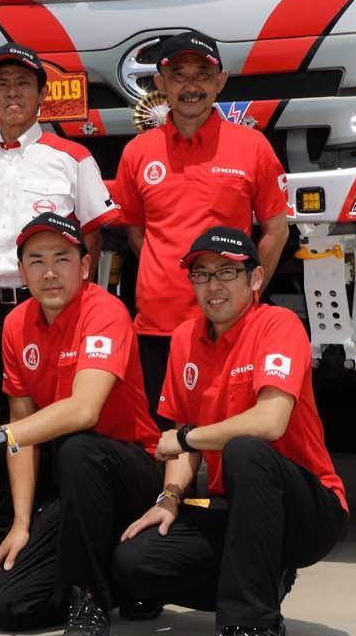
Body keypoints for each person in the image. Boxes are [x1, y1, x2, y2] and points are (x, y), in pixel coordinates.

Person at [113, 227, 347, 636]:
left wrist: (185, 438)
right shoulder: (184, 338)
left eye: (226, 272)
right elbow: (185, 438)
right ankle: (262, 578)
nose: (213, 285)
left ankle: (256, 629)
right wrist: (170, 499)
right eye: (202, 274)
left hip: (309, 509)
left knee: (245, 449)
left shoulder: (279, 326)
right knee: (134, 562)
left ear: (255, 279)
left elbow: (269, 422)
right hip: (238, 506)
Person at [0, 42, 119, 592]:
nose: (11, 94)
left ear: (43, 95)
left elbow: (90, 232)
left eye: (22, 84)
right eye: (0, 87)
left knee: (59, 422)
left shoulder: (73, 159)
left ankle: (53, 532)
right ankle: (1, 537)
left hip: (53, 309)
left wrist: (73, 297)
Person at [0, 214, 158, 636]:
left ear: (85, 266)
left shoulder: (105, 312)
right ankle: (117, 580)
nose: (49, 272)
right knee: (7, 605)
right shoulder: (16, 325)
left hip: (131, 471)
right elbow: (25, 432)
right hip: (76, 486)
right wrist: (22, 524)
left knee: (79, 449)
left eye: (62, 259)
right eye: (36, 261)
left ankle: (90, 605)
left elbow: (84, 410)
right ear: (21, 272)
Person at [112, 31, 289, 411]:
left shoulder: (253, 146)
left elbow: (276, 230)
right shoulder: (136, 153)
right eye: (178, 75)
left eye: (202, 75)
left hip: (230, 324)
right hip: (157, 328)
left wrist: (249, 292)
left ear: (220, 81)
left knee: (234, 439)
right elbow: (136, 232)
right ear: (160, 83)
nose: (191, 87)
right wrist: (164, 277)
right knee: (163, 446)